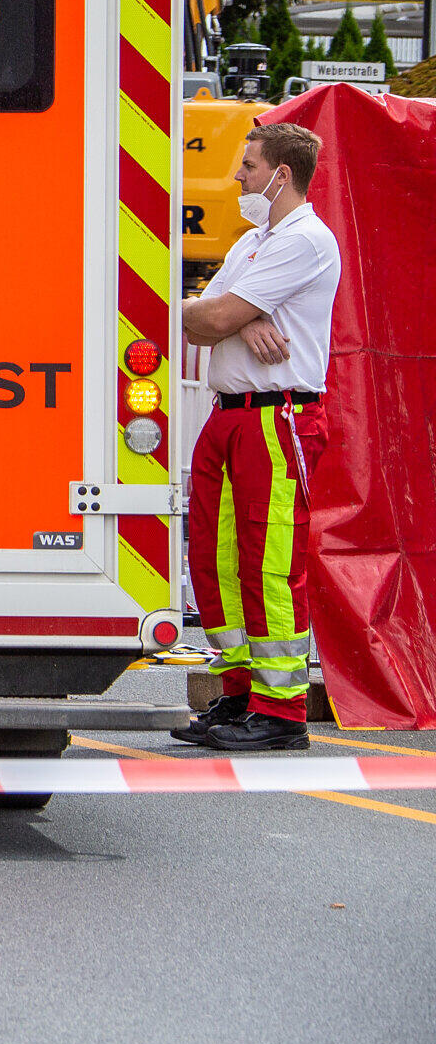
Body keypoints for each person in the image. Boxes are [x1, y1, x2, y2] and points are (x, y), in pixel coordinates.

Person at [172, 121, 341, 751]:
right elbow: (189, 318)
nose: (237, 177)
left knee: (270, 565)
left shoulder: (305, 241)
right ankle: (238, 692)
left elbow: (211, 315)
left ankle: (281, 712)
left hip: (278, 416)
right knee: (215, 562)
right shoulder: (251, 245)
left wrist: (230, 319)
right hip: (230, 414)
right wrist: (243, 322)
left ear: (282, 175)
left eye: (247, 165)